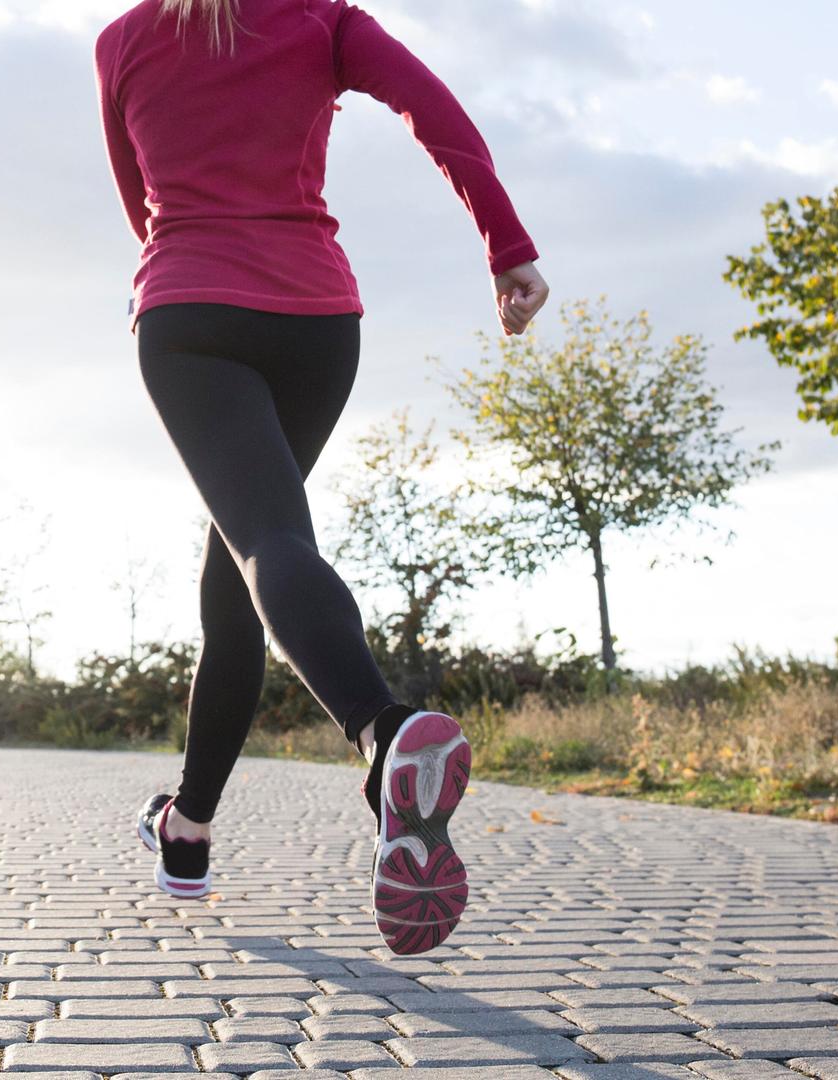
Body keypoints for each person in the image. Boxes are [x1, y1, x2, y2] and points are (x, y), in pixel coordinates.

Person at [96, 0, 547, 954]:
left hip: (189, 310)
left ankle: (384, 735)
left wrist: (193, 253)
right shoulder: (324, 21)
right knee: (239, 571)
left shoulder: (124, 41)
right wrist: (506, 247)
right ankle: (188, 830)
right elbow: (439, 114)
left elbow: (139, 201)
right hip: (315, 320)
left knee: (266, 546)